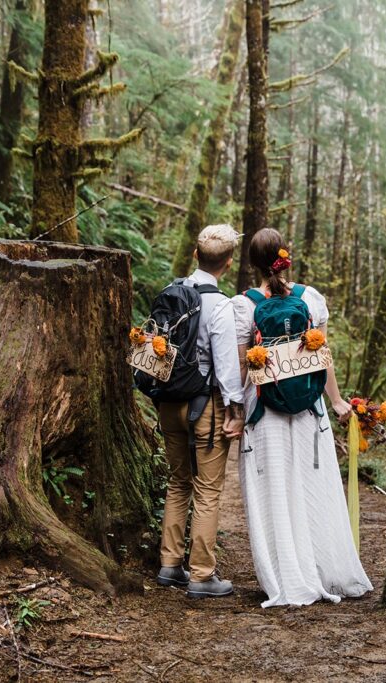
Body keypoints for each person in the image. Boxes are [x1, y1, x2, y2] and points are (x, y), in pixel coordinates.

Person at [231, 228, 373, 607]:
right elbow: (322, 357)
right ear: (285, 256)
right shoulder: (311, 299)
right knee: (313, 486)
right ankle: (324, 568)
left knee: (275, 489)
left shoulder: (243, 306)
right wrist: (336, 401)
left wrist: (235, 410)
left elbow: (241, 369)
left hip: (264, 411)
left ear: (253, 263)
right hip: (311, 408)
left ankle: (287, 576)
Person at [156, 224, 246, 598]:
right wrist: (235, 410)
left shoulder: (171, 291)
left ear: (195, 255)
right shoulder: (221, 305)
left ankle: (169, 564)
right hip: (205, 405)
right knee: (207, 491)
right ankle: (202, 574)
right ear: (228, 262)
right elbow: (226, 366)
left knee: (178, 482)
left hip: (168, 401)